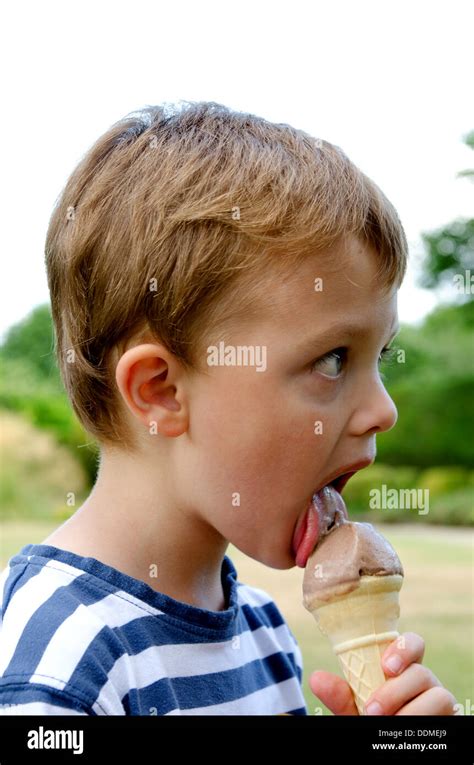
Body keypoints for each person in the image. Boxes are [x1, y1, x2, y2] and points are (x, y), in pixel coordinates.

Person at [0, 102, 457, 716]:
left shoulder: (265, 634)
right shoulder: (62, 660)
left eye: (382, 356)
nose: (384, 410)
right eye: (332, 359)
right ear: (161, 390)